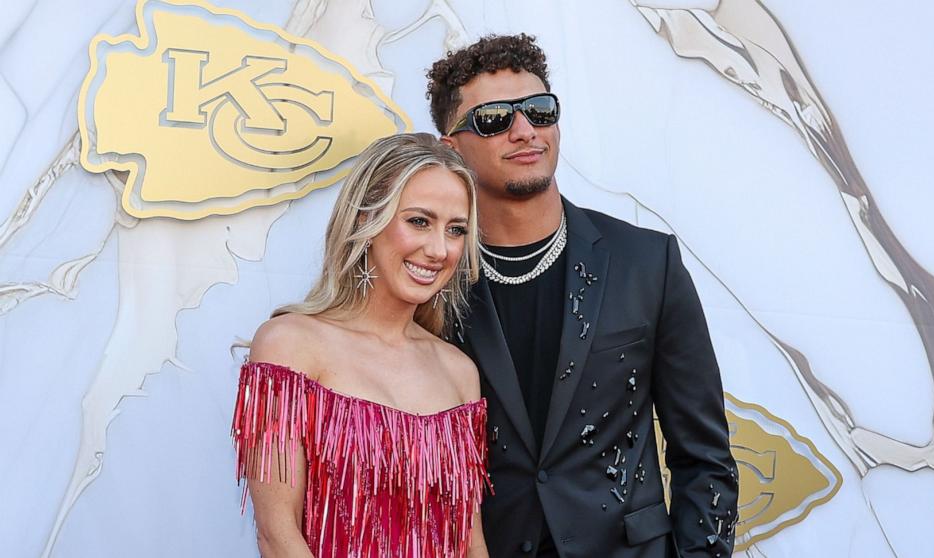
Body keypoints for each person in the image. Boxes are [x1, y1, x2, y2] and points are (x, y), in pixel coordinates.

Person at [427, 35, 739, 557]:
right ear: (450, 147)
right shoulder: (435, 278)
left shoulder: (646, 262)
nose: (524, 131)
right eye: (494, 119)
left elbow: (704, 456)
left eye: (539, 110)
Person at [230, 133, 491, 557]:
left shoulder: (459, 372)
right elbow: (278, 538)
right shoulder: (290, 346)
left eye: (456, 229)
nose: (439, 249)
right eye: (419, 221)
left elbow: (470, 542)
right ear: (366, 220)